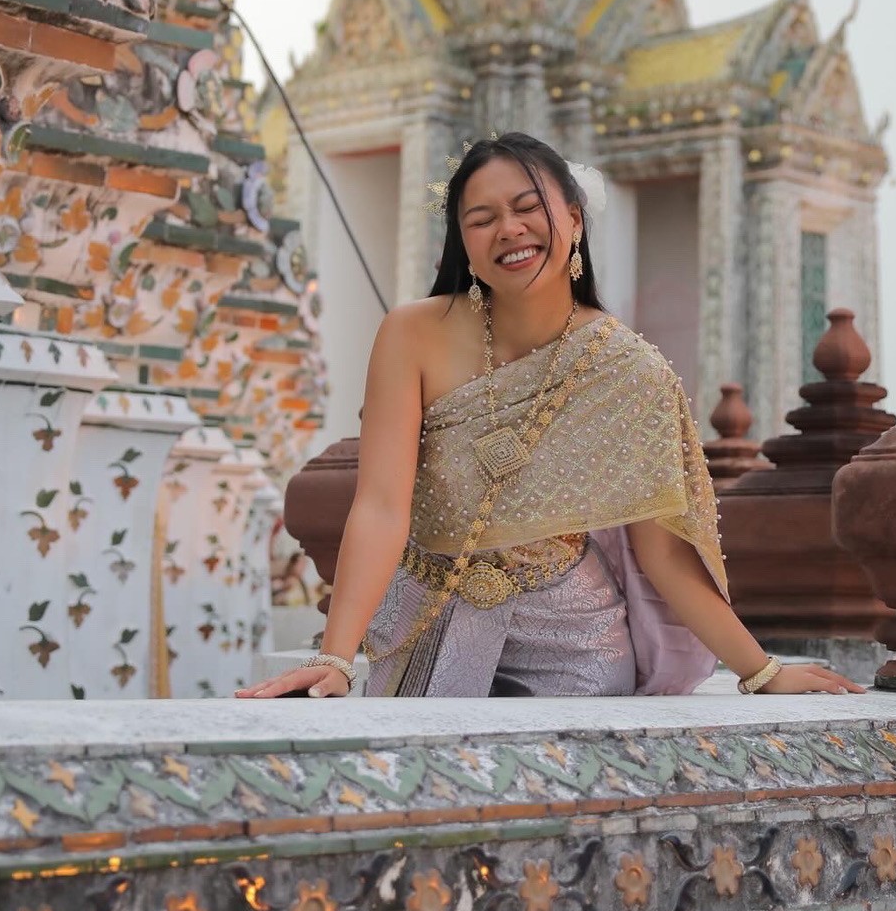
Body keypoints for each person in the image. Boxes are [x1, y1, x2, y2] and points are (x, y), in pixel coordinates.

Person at [237, 133, 861, 700]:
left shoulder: (628, 371)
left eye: (527, 207)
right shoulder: (413, 334)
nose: (508, 229)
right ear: (465, 246)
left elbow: (664, 556)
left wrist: (763, 672)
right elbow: (379, 504)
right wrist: (337, 659)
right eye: (481, 220)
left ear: (573, 218)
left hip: (574, 637)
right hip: (429, 612)